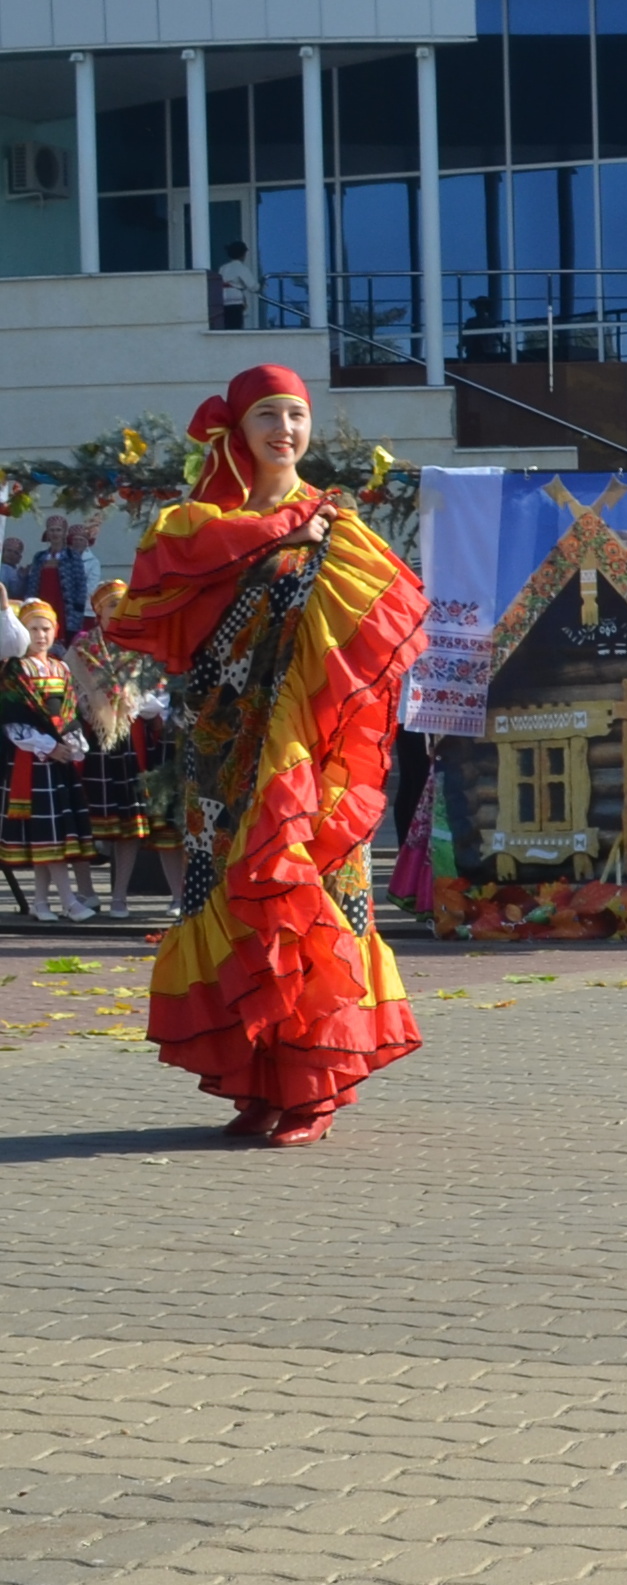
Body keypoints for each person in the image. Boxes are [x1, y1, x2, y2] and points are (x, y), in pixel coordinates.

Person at [105, 364, 425, 1145]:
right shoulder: (194, 527)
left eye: (297, 416)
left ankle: (312, 1086)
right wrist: (274, 535)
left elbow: (386, 630)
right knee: (226, 905)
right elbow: (158, 599)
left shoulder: (337, 522)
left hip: (306, 759)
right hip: (219, 752)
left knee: (308, 904)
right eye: (268, 417)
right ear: (237, 431)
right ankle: (256, 1081)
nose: (286, 430)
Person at [62, 577, 169, 922]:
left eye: (123, 604)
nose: (118, 611)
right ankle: (87, 891)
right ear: (98, 610)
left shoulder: (140, 648)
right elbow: (64, 692)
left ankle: (120, 896)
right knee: (82, 820)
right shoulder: (80, 650)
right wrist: (87, 703)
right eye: (111, 605)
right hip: (89, 742)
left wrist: (135, 700)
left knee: (128, 822)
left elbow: (158, 695)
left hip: (129, 741)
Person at [1, 593, 98, 923]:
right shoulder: (16, 669)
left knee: (53, 832)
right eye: (33, 629)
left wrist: (73, 744)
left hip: (58, 763)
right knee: (49, 834)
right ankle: (69, 900)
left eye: (46, 628)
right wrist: (47, 745)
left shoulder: (60, 667)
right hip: (32, 761)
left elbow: (69, 712)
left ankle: (42, 902)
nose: (41, 635)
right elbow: (14, 719)